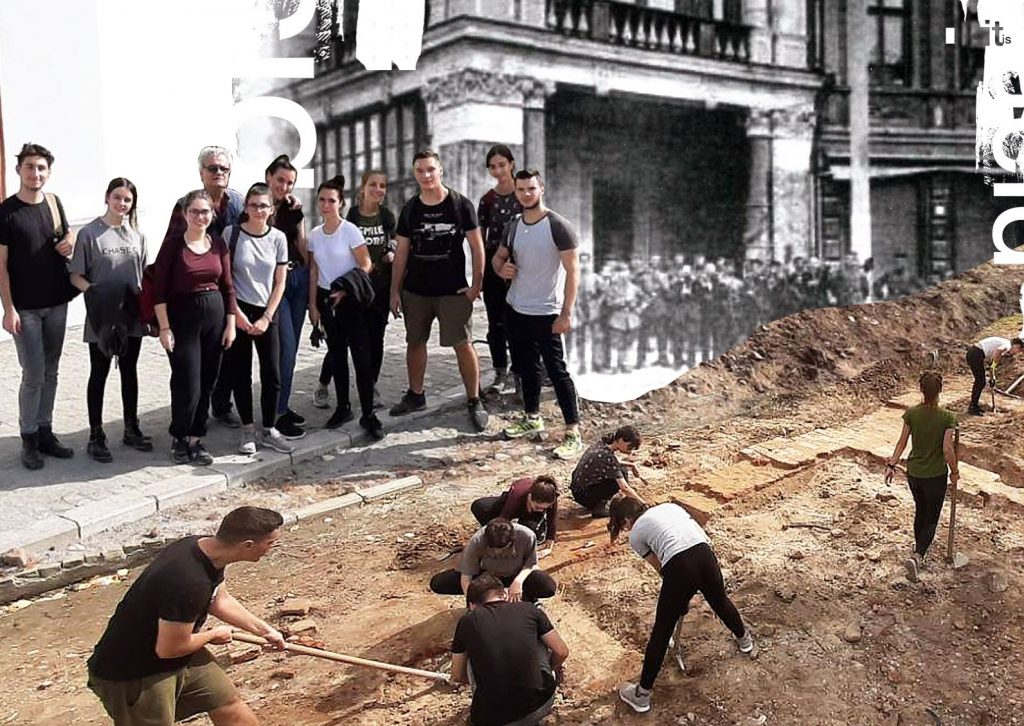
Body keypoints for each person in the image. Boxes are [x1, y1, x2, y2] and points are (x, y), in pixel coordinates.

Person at [86, 506, 287, 726]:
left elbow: (220, 600)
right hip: (134, 672)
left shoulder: (204, 549)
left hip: (180, 653)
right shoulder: (189, 582)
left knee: (227, 702)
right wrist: (213, 635)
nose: (271, 549)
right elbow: (169, 649)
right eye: (270, 544)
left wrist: (266, 631)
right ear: (247, 545)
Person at [609, 496, 753, 715]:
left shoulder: (637, 533)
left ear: (628, 518)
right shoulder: (668, 507)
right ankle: (745, 641)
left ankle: (641, 695)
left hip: (679, 565)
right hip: (705, 554)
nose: (626, 527)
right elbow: (694, 535)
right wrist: (683, 594)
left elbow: (661, 568)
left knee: (662, 630)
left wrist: (678, 597)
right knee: (720, 600)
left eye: (623, 523)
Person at [389, 149, 489, 432]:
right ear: (415, 174)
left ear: (440, 170)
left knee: (463, 344)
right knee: (415, 343)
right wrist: (394, 292)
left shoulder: (460, 205)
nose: (426, 175)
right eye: (420, 171)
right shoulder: (410, 209)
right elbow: (401, 253)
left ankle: (474, 399)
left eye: (430, 169)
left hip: (452, 291)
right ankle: (416, 394)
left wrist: (476, 286)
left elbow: (476, 247)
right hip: (417, 291)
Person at [494, 169, 583, 460]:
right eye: (520, 190)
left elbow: (573, 271)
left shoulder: (558, 226)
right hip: (516, 308)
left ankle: (573, 431)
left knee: (556, 371)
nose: (526, 194)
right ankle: (532, 417)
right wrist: (501, 268)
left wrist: (566, 313)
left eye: (531, 188)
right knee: (525, 367)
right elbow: (499, 257)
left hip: (547, 312)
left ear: (541, 188)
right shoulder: (514, 225)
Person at [0, 142, 76, 470]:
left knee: (52, 370)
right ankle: (28, 438)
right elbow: (1, 266)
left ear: (49, 172)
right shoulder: (6, 212)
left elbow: (66, 233)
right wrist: (9, 309)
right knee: (33, 375)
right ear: (19, 170)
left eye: (42, 168)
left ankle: (46, 431)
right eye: (30, 167)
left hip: (57, 302)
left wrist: (71, 239)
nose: (36, 173)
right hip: (25, 309)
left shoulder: (55, 203)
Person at [69, 177, 152, 463]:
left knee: (130, 371)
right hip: (102, 315)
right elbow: (76, 275)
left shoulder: (137, 235)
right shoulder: (89, 234)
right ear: (107, 197)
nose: (122, 204)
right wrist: (94, 293)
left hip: (130, 315)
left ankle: (131, 427)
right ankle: (96, 434)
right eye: (117, 197)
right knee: (99, 372)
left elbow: (143, 275)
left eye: (127, 200)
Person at [152, 189, 236, 465]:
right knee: (187, 381)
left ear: (212, 215)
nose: (200, 216)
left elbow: (228, 287)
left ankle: (196, 438)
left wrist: (231, 323)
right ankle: (179, 435)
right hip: (182, 320)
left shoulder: (218, 244)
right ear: (185, 214)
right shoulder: (173, 245)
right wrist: (164, 328)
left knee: (208, 380)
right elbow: (159, 290)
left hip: (215, 319)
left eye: (205, 211)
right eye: (195, 211)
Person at [164, 147, 244, 430]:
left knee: (224, 357)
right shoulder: (186, 204)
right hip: (189, 300)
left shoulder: (238, 202)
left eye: (223, 168)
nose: (219, 172)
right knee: (188, 372)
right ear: (201, 173)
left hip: (231, 289)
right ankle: (183, 428)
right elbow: (170, 255)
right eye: (212, 168)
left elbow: (261, 229)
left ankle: (219, 407)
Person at [307, 175, 385, 440]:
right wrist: (313, 306)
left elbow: (365, 264)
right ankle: (343, 408)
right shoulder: (315, 235)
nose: (326, 205)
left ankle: (368, 414)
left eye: (331, 200)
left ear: (340, 203)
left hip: (351, 300)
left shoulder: (349, 230)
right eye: (322, 200)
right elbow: (314, 271)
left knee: (362, 359)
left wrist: (346, 288)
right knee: (337, 355)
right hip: (327, 301)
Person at [221, 183, 294, 456]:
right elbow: (225, 279)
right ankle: (247, 430)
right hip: (238, 310)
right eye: (253, 205)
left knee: (272, 373)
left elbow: (280, 281)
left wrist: (267, 316)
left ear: (271, 209)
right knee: (240, 373)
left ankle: (270, 428)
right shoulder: (232, 234)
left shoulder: (278, 238)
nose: (258, 210)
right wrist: (236, 315)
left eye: (264, 205)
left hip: (266, 311)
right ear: (246, 208)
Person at [450, 573, 569, 726]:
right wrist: (549, 670)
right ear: (504, 594)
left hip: (491, 720)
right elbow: (562, 651)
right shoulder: (529, 610)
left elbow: (456, 675)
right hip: (540, 706)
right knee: (535, 635)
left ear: (471, 605)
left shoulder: (467, 622)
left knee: (470, 654)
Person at [886, 371, 960, 582]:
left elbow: (901, 442)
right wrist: (955, 472)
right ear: (940, 391)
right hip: (935, 476)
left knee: (920, 509)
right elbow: (947, 449)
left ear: (921, 390)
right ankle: (918, 556)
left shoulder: (912, 414)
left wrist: (892, 464)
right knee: (932, 518)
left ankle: (918, 547)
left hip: (914, 473)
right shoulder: (947, 417)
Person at [341, 169, 397, 407]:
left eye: (382, 185)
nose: (378, 190)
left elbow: (395, 240)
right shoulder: (352, 216)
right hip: (356, 287)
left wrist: (392, 251)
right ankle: (324, 382)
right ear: (363, 187)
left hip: (380, 289)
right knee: (345, 339)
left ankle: (370, 386)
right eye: (373, 184)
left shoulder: (387, 216)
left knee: (377, 338)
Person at [266, 154, 309, 440]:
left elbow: (302, 244)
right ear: (269, 177)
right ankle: (275, 414)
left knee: (291, 352)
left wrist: (314, 284)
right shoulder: (256, 205)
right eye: (280, 180)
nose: (284, 187)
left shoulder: (293, 209)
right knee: (283, 350)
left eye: (290, 182)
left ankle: (282, 406)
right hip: (274, 285)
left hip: (298, 280)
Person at [478, 144, 522, 395]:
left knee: (520, 323)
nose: (498, 171)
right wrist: (482, 275)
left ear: (511, 164)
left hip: (521, 269)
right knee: (496, 324)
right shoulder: (487, 201)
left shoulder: (525, 193)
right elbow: (480, 242)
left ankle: (520, 375)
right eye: (493, 167)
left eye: (502, 165)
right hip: (495, 272)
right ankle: (500, 372)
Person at [430, 518, 556, 603]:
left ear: (512, 539)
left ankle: (528, 598)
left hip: (516, 573)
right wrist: (473, 602)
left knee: (547, 586)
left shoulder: (527, 536)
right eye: (493, 549)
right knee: (438, 583)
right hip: (488, 576)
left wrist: (518, 582)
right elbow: (466, 576)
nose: (497, 552)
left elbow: (530, 564)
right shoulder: (477, 540)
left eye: (502, 549)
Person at [470, 475, 559, 559]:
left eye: (544, 508)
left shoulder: (551, 498)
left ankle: (538, 528)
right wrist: (497, 540)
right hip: (513, 503)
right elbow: (503, 519)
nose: (541, 510)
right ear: (530, 496)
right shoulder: (517, 494)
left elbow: (552, 522)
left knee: (528, 533)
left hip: (531, 515)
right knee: (479, 506)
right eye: (538, 507)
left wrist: (548, 548)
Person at [570, 425, 645, 517]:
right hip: (584, 496)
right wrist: (644, 504)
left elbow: (609, 463)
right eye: (630, 447)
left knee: (620, 470)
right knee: (620, 474)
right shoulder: (608, 456)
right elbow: (624, 487)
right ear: (621, 440)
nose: (631, 451)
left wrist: (631, 465)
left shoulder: (602, 444)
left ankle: (599, 503)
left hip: (577, 490)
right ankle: (599, 508)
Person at [965, 336, 1024, 415]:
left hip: (975, 353)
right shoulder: (1007, 345)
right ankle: (973, 407)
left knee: (980, 381)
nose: (1017, 353)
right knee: (980, 382)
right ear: (1016, 345)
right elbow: (998, 351)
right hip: (976, 354)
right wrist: (993, 365)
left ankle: (974, 406)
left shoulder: (1005, 343)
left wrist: (992, 376)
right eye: (1019, 350)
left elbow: (993, 364)